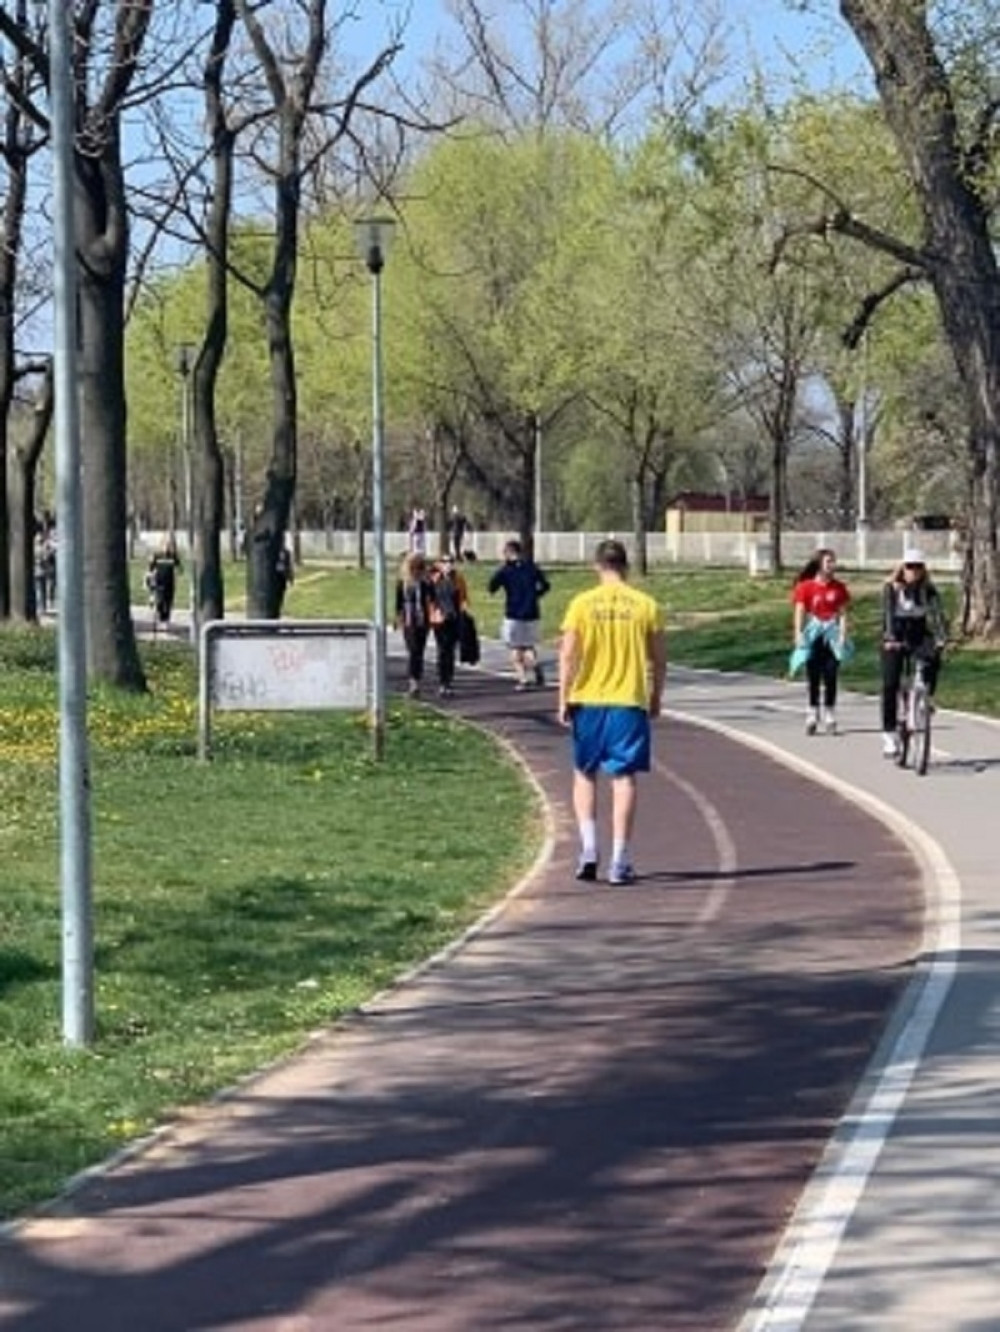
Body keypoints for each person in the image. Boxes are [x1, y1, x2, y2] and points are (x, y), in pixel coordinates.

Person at [558, 539, 666, 886]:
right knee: (624, 777)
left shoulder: (581, 605)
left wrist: (563, 698)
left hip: (588, 699)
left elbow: (568, 656)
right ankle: (619, 859)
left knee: (584, 772)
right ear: (626, 566)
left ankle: (589, 848)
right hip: (627, 700)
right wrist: (655, 696)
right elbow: (658, 660)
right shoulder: (646, 606)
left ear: (596, 566)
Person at [880, 547, 948, 758]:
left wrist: (941, 636)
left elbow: (937, 614)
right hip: (895, 635)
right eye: (910, 567)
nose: (914, 571)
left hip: (918, 634)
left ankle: (926, 698)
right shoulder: (891, 588)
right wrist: (891, 638)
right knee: (890, 683)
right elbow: (889, 614)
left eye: (918, 567)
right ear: (903, 567)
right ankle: (889, 734)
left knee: (933, 657)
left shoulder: (928, 589)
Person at [790, 547, 851, 735]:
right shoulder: (806, 587)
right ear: (820, 565)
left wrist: (842, 635)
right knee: (813, 675)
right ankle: (812, 710)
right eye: (828, 562)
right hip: (814, 634)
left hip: (831, 635)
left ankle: (830, 712)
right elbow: (800, 611)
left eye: (834, 561)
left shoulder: (839, 588)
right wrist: (798, 633)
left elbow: (843, 614)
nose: (832, 565)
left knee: (831, 674)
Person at [488, 538, 551, 689]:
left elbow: (491, 587)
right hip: (532, 612)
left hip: (514, 613)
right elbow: (546, 585)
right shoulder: (532, 567)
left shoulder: (505, 570)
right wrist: (535, 595)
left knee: (516, 648)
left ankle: (522, 679)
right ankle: (536, 668)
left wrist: (500, 572)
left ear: (508, 553)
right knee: (528, 646)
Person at [429, 552, 470, 697]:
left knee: (451, 651)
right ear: (439, 564)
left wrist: (464, 610)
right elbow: (429, 599)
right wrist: (434, 612)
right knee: (442, 650)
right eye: (445, 561)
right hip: (439, 620)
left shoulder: (458, 579)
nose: (448, 564)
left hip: (454, 618)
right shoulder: (434, 579)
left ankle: (449, 683)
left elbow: (464, 598)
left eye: (451, 561)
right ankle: (442, 682)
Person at [395, 551, 433, 697]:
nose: (417, 570)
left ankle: (416, 679)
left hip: (422, 620)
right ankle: (413, 682)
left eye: (420, 566)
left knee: (419, 651)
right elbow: (399, 602)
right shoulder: (403, 582)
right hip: (409, 620)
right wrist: (398, 618)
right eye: (414, 566)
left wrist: (429, 581)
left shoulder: (424, 581)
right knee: (413, 650)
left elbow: (432, 597)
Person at [147, 535, 182, 629]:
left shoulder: (173, 556)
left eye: (169, 545)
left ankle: (166, 620)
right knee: (160, 601)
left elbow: (179, 568)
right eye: (165, 544)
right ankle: (161, 618)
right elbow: (150, 569)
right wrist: (150, 581)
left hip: (170, 582)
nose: (167, 547)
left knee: (168, 601)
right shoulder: (157, 555)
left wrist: (178, 572)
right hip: (159, 582)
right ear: (161, 544)